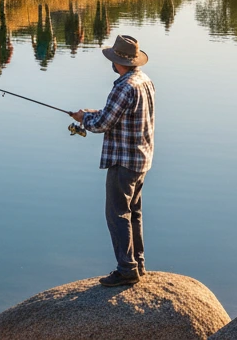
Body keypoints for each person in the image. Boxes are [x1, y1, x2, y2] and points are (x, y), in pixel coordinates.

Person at [70, 35, 155, 288]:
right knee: (134, 213)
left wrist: (84, 120)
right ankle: (138, 263)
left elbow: (104, 124)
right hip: (142, 158)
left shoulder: (123, 86)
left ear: (117, 61)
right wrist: (89, 113)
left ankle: (126, 269)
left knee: (116, 213)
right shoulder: (144, 81)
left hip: (123, 161)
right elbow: (119, 114)